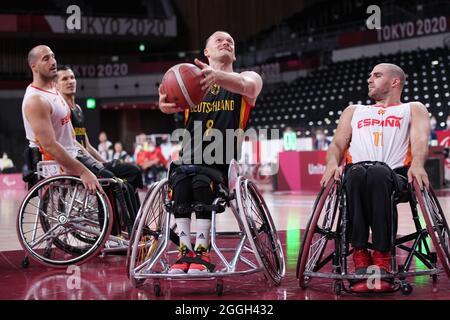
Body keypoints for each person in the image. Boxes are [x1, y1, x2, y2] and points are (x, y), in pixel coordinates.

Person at [158, 31, 263, 274]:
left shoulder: (247, 78)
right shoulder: (189, 83)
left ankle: (203, 250)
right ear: (206, 52)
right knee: (182, 178)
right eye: (219, 40)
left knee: (201, 179)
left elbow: (248, 85)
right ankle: (186, 251)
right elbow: (169, 96)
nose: (226, 42)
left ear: (234, 53)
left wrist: (217, 76)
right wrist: (164, 103)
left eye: (230, 42)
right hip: (188, 159)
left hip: (222, 163)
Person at [321, 63, 430, 293]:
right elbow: (338, 143)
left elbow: (420, 139)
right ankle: (360, 254)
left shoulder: (413, 108)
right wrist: (332, 162)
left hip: (395, 175)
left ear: (395, 82)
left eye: (377, 75)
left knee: (379, 172)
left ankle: (382, 255)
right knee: (358, 172)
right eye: (370, 75)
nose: (369, 79)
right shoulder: (354, 110)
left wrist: (418, 164)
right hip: (356, 173)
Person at [21, 45, 100, 193]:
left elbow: (71, 137)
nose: (53, 61)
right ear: (34, 67)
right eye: (46, 59)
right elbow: (49, 146)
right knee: (115, 182)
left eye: (53, 56)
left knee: (120, 175)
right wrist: (83, 171)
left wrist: (96, 162)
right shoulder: (36, 100)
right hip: (53, 162)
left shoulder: (54, 91)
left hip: (73, 153)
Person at [55, 65, 143, 191]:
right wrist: (96, 164)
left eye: (72, 77)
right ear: (56, 85)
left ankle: (128, 209)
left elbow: (87, 145)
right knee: (119, 176)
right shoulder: (62, 109)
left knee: (133, 172)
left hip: (87, 160)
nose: (70, 81)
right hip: (76, 163)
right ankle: (110, 210)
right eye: (64, 79)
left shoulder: (77, 109)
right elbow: (71, 142)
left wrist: (104, 161)